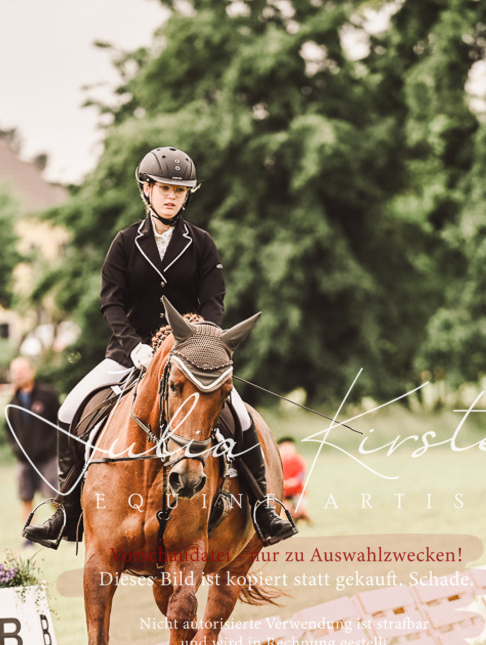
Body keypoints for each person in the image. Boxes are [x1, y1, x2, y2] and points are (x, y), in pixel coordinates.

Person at [24, 145, 296, 549]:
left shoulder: (202, 244)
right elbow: (111, 302)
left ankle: (263, 509)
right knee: (69, 408)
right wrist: (133, 346)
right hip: (127, 354)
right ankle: (66, 510)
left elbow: (213, 301)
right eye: (163, 187)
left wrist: (202, 344)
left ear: (188, 196)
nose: (171, 195)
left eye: (180, 190)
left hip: (190, 359)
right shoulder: (124, 243)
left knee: (239, 416)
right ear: (146, 190)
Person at [6, 357, 60, 540]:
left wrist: (49, 446)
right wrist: (16, 449)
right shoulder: (12, 401)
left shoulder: (47, 395)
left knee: (55, 497)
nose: (19, 374)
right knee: (25, 498)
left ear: (32, 371)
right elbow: (9, 429)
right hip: (24, 460)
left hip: (47, 459)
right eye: (15, 371)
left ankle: (66, 529)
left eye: (22, 370)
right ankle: (29, 537)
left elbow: (59, 424)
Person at [278, 436, 312, 524]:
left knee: (300, 507)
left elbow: (301, 476)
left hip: (297, 490)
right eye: (284, 447)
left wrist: (293, 482)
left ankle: (301, 513)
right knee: (281, 505)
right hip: (282, 491)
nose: (287, 450)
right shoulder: (277, 461)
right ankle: (290, 516)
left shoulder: (299, 460)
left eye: (289, 447)